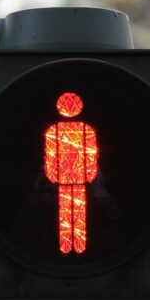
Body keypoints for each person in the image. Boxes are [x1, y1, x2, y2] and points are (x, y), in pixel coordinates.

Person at [43, 91, 99, 254]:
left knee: (71, 212)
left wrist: (89, 173)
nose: (69, 108)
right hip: (71, 178)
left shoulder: (83, 129)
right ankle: (69, 247)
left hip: (72, 177)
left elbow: (90, 154)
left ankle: (75, 247)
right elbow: (51, 154)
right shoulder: (55, 131)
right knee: (67, 213)